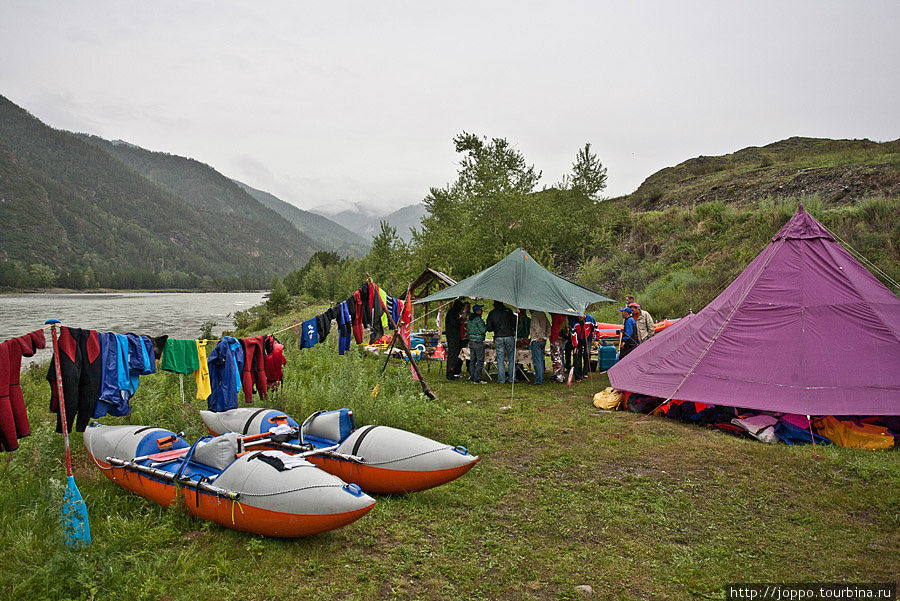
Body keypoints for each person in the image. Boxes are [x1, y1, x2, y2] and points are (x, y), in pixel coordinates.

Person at [486, 301, 516, 384]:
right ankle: (512, 378)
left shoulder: (492, 313)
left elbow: (489, 327)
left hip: (498, 336)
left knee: (500, 359)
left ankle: (501, 380)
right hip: (509, 335)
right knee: (511, 358)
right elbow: (514, 323)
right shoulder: (508, 311)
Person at [444, 299, 464, 380]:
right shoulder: (452, 313)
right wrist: (461, 319)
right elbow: (454, 323)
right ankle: (450, 373)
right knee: (452, 355)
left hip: (455, 337)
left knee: (455, 355)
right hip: (452, 337)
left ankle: (454, 370)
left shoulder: (453, 312)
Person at [528, 310, 550, 385]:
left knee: (537, 361)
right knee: (541, 359)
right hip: (543, 339)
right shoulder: (543, 314)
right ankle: (541, 377)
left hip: (536, 340)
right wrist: (546, 336)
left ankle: (538, 380)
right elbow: (548, 326)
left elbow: (537, 327)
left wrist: (540, 337)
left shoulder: (534, 315)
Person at [467, 305, 487, 384]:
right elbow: (483, 330)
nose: (482, 310)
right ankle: (477, 379)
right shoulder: (479, 319)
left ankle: (472, 377)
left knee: (472, 360)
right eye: (480, 309)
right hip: (478, 341)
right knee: (480, 360)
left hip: (471, 341)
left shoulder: (470, 319)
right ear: (477, 311)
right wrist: (486, 326)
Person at [549, 313, 567, 382]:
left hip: (555, 338)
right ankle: (559, 375)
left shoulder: (556, 316)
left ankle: (559, 377)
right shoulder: (564, 316)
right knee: (559, 357)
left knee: (556, 358)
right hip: (561, 339)